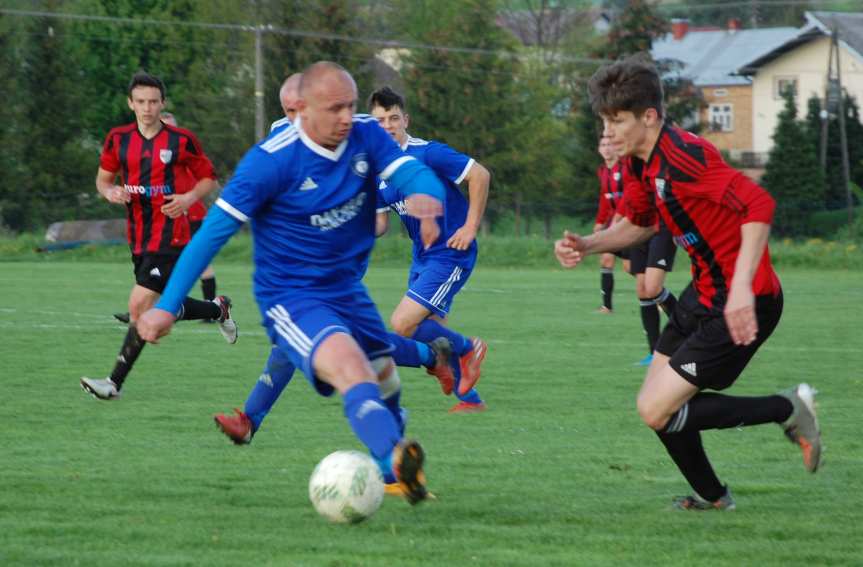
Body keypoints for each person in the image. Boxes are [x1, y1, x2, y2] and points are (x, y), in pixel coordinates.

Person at [137, 61, 449, 504]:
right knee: (351, 367)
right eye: (334, 108)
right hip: (291, 296)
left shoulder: (364, 134)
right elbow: (209, 236)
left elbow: (408, 169)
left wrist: (427, 196)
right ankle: (394, 457)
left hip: (346, 286)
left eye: (351, 106)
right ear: (300, 109)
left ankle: (394, 471)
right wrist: (168, 304)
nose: (346, 117)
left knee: (384, 375)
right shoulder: (270, 162)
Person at [554, 57, 821, 510]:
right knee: (656, 408)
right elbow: (639, 224)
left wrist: (738, 292)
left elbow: (759, 204)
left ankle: (788, 408)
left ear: (650, 117)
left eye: (617, 120)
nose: (610, 130)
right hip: (705, 293)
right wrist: (589, 243)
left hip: (746, 297)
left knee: (656, 410)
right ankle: (713, 497)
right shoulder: (642, 161)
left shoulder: (684, 157)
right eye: (605, 120)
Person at [81, 72, 237, 401]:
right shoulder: (117, 139)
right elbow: (103, 180)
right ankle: (217, 309)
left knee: (139, 305)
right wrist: (110, 192)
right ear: (130, 104)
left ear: (162, 103)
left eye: (153, 101)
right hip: (139, 238)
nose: (147, 108)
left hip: (172, 237)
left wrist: (187, 199)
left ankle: (113, 383)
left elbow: (208, 178)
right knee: (164, 305)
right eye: (141, 102)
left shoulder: (181, 140)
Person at [369, 86, 490, 413]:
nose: (388, 126)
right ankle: (471, 402)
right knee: (430, 333)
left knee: (402, 323)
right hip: (422, 256)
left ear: (405, 120)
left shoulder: (428, 154)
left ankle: (469, 348)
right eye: (380, 121)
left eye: (394, 118)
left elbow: (479, 174)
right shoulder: (379, 170)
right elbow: (379, 226)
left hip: (451, 251)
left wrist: (469, 227)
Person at [112, 111, 219, 324]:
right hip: (162, 221)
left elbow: (206, 180)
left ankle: (212, 309)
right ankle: (146, 308)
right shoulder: (151, 156)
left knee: (198, 263)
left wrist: (187, 201)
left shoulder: (181, 153)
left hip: (190, 216)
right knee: (159, 271)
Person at [592, 134, 629, 314]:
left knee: (630, 268)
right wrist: (600, 222)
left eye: (610, 144)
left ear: (616, 148)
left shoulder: (624, 168)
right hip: (613, 225)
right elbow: (605, 199)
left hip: (629, 223)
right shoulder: (603, 171)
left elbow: (630, 195)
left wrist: (617, 219)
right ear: (599, 149)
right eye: (603, 144)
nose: (606, 148)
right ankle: (607, 306)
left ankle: (657, 296)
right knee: (606, 258)